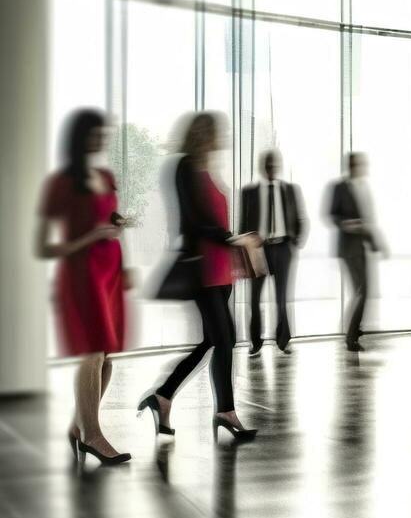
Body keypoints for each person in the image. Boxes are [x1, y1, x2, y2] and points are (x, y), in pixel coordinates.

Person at [141, 112, 262, 442]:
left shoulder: (207, 171)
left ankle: (163, 396)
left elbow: (214, 221)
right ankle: (225, 411)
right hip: (203, 271)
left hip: (222, 270)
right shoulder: (184, 167)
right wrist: (231, 238)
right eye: (214, 132)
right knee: (224, 339)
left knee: (213, 340)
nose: (220, 137)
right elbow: (192, 222)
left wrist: (237, 237)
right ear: (201, 135)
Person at [36, 109, 130, 465]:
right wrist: (90, 235)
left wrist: (115, 226)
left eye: (104, 132)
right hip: (80, 275)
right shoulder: (60, 183)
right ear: (79, 137)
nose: (102, 138)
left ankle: (78, 425)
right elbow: (42, 246)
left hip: (110, 274)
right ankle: (93, 435)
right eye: (95, 133)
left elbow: (106, 218)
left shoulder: (106, 175)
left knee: (108, 359)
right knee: (92, 354)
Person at [239, 150, 305, 357]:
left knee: (282, 297)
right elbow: (243, 224)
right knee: (255, 298)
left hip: (284, 248)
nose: (271, 168)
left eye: (274, 164)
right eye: (267, 164)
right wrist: (247, 250)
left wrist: (295, 243)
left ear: (279, 165)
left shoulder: (291, 190)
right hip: (258, 250)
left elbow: (301, 219)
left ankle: (283, 341)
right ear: (262, 166)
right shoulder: (249, 192)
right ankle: (255, 343)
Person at [329, 153, 379, 353]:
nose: (362, 167)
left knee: (363, 290)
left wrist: (373, 241)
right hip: (348, 248)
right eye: (359, 164)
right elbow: (332, 214)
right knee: (362, 290)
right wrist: (346, 224)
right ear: (352, 166)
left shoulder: (362, 187)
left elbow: (366, 220)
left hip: (361, 246)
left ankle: (354, 330)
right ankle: (351, 337)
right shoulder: (339, 187)